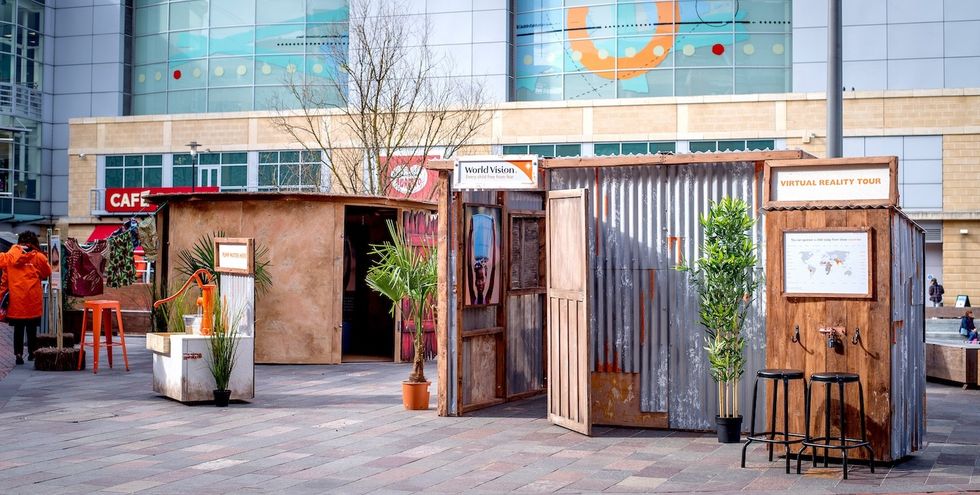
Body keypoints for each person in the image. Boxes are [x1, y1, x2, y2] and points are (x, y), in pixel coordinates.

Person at [4, 232, 51, 365]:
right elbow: (47, 272)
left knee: (18, 330)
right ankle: (32, 353)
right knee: (31, 329)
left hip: (16, 301)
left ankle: (18, 355)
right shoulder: (39, 257)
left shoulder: (11, 258)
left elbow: (4, 280)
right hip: (32, 300)